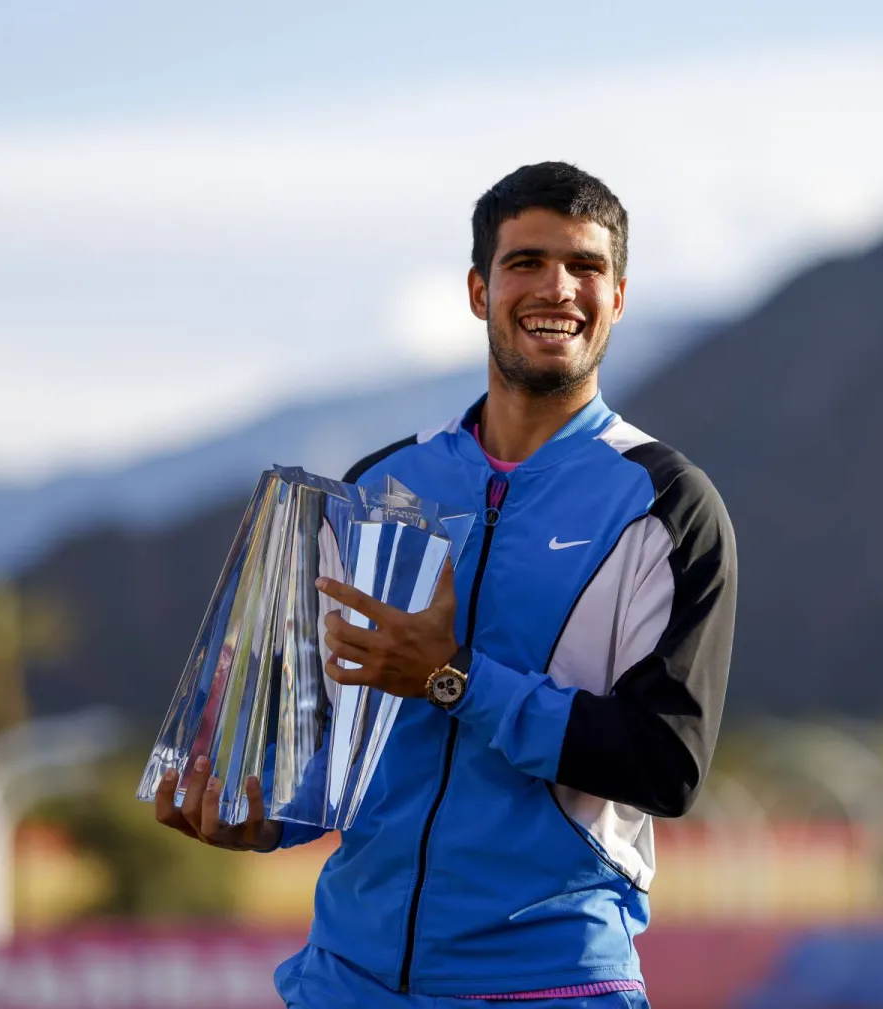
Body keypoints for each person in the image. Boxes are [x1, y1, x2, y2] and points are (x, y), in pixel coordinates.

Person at [153, 162, 738, 1008]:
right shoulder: (383, 480)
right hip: (346, 978)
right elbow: (333, 737)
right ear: (478, 290)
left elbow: (666, 762)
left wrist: (453, 678)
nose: (557, 288)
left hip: (548, 983)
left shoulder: (665, 503)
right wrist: (263, 814)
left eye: (585, 267)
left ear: (617, 297)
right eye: (526, 262)